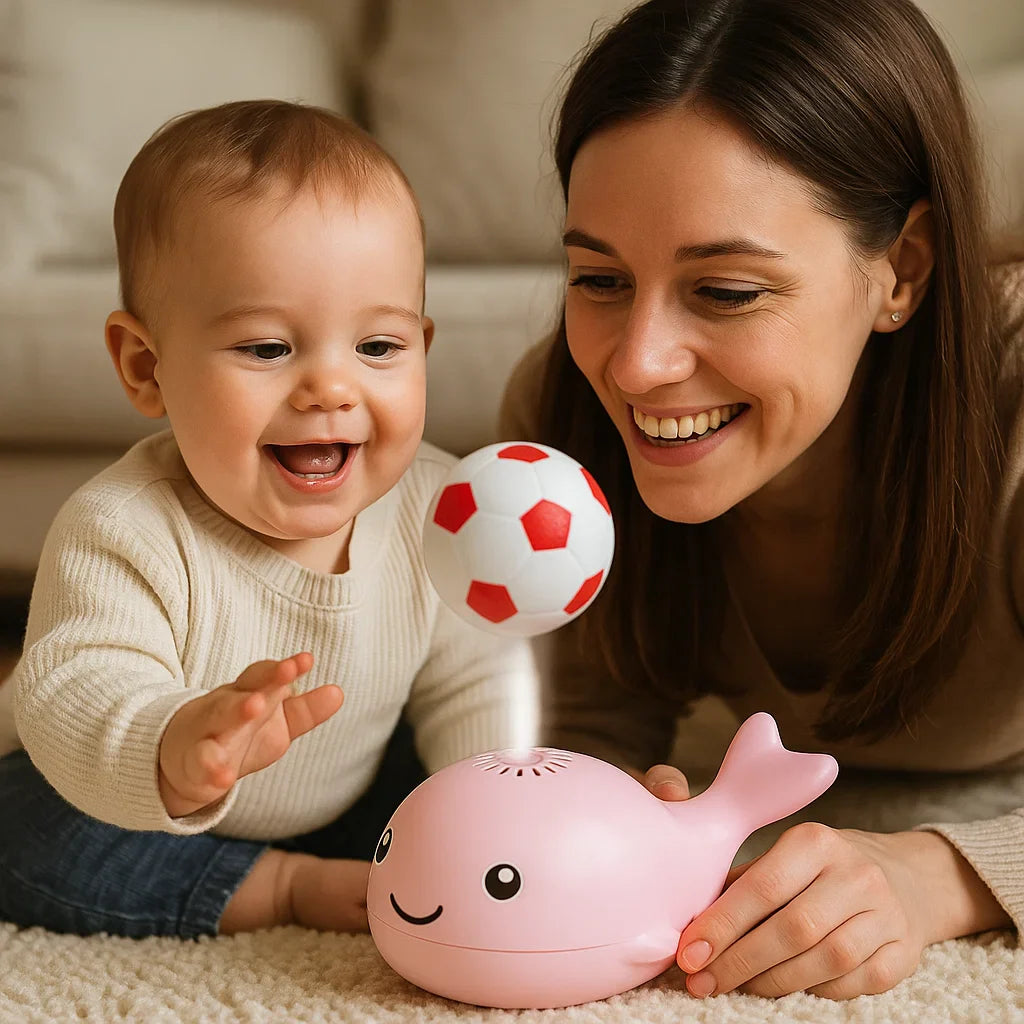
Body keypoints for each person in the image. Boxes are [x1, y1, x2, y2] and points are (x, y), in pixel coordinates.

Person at [501, 0, 1024, 1001]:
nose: (638, 364)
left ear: (900, 271)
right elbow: (591, 719)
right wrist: (598, 810)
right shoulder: (558, 403)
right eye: (598, 277)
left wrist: (935, 876)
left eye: (727, 291)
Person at [0, 99, 537, 939]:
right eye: (267, 349)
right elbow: (74, 687)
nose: (331, 387)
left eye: (379, 348)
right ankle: (277, 889)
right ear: (146, 367)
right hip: (141, 811)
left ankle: (397, 856)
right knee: (22, 833)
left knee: (451, 789)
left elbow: (474, 678)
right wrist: (176, 745)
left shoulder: (439, 508)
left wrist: (496, 802)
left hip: (350, 793)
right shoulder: (124, 527)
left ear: (423, 347)